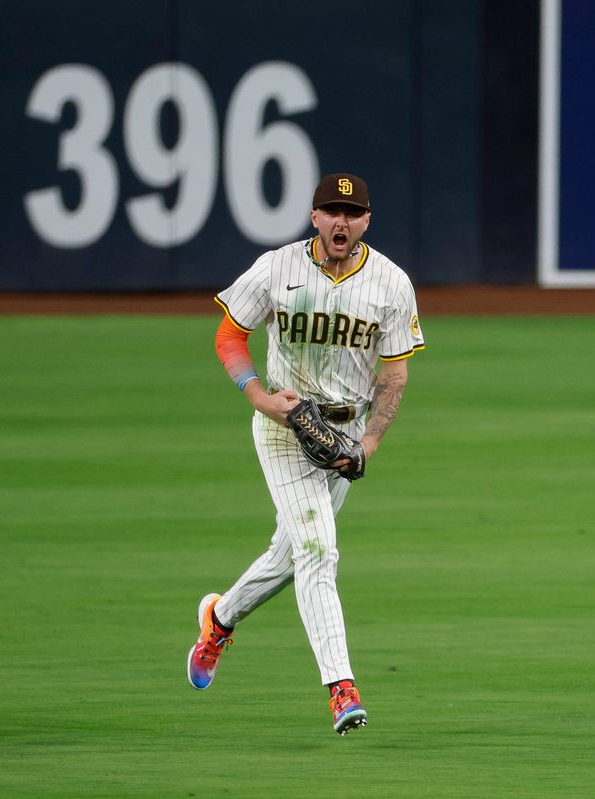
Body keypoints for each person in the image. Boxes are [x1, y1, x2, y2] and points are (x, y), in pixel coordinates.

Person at [187, 172, 425, 735]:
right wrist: (260, 397)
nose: (341, 221)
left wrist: (367, 446)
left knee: (289, 553)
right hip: (283, 429)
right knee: (319, 551)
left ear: (367, 220)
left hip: (344, 435)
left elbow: (395, 376)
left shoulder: (391, 283)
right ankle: (342, 689)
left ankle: (218, 621)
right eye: (330, 210)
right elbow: (229, 335)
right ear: (313, 216)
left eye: (352, 212)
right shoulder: (277, 268)